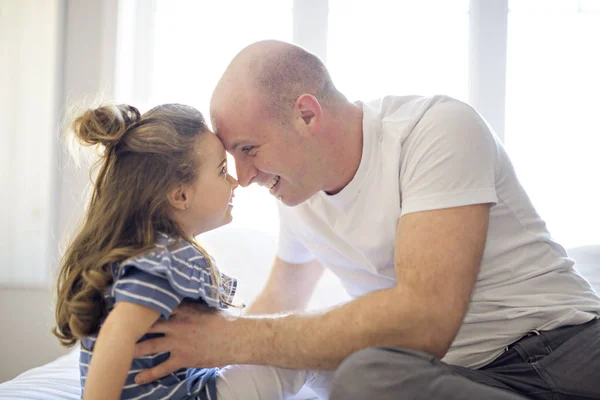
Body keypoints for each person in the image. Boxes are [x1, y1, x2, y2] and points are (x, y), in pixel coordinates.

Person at [132, 40, 600, 399]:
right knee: (359, 378)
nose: (246, 177)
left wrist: (228, 338)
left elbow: (425, 321)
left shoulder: (434, 129)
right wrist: (202, 373)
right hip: (464, 380)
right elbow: (277, 302)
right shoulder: (298, 197)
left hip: (562, 349)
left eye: (249, 150)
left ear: (306, 115)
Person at [52, 103, 331, 400]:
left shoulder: (142, 253)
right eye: (222, 170)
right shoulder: (171, 258)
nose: (235, 181)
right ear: (181, 195)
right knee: (308, 353)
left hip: (186, 387)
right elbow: (116, 334)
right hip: (192, 396)